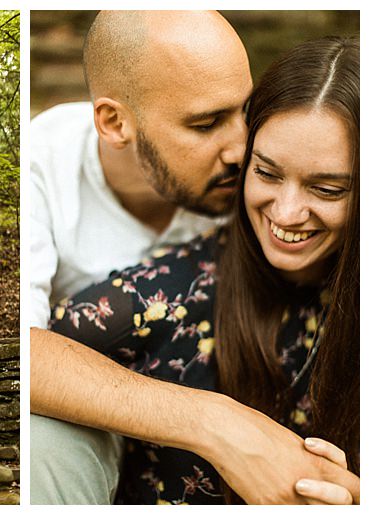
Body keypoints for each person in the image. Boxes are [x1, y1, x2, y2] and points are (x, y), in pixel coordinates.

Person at [39, 36, 359, 504]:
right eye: (266, 173)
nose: (287, 213)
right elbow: (29, 356)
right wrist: (216, 423)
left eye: (328, 189)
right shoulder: (150, 300)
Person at [30, 10, 251, 503]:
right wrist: (216, 423)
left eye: (246, 109)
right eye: (207, 123)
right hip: (93, 407)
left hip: (233, 369)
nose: (242, 147)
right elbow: (21, 350)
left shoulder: (253, 168)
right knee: (43, 445)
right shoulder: (43, 166)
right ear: (115, 122)